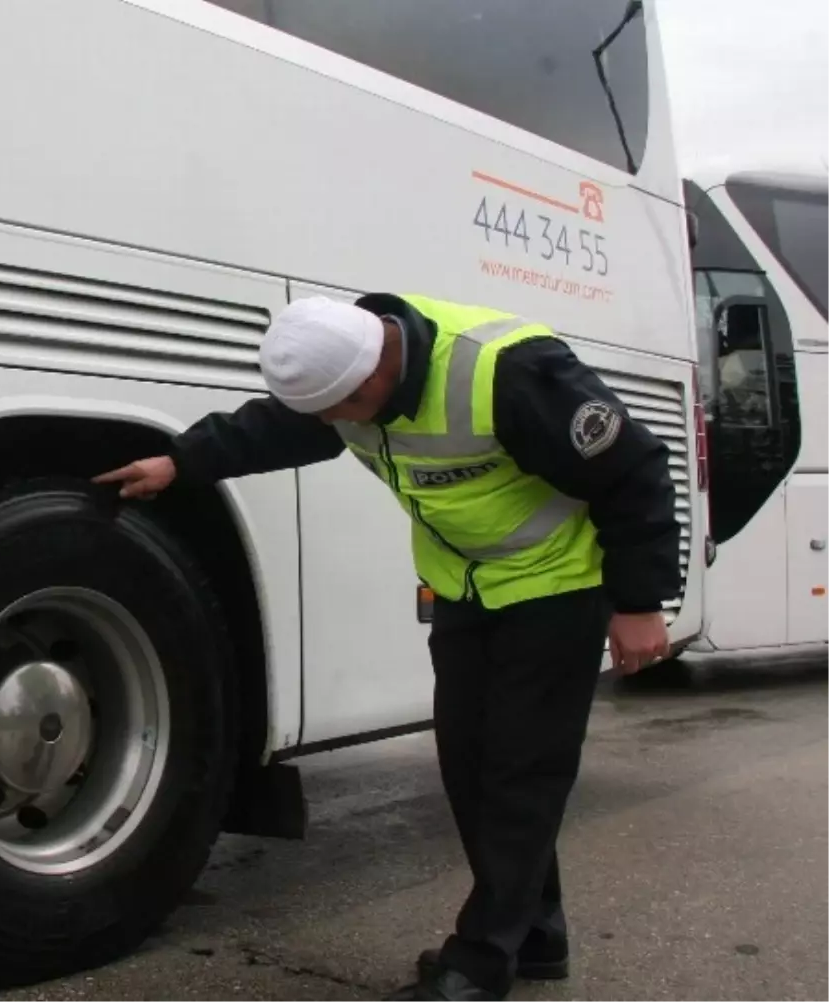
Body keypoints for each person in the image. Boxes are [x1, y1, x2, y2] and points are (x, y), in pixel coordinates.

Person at [94, 293, 680, 1002]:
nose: (334, 425)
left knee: (521, 775)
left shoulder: (508, 373)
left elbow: (635, 469)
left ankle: (481, 960)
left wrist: (641, 603)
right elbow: (274, 431)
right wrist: (180, 463)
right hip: (466, 588)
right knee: (471, 768)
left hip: (557, 587)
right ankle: (536, 932)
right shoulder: (347, 387)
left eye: (339, 408)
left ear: (371, 377)